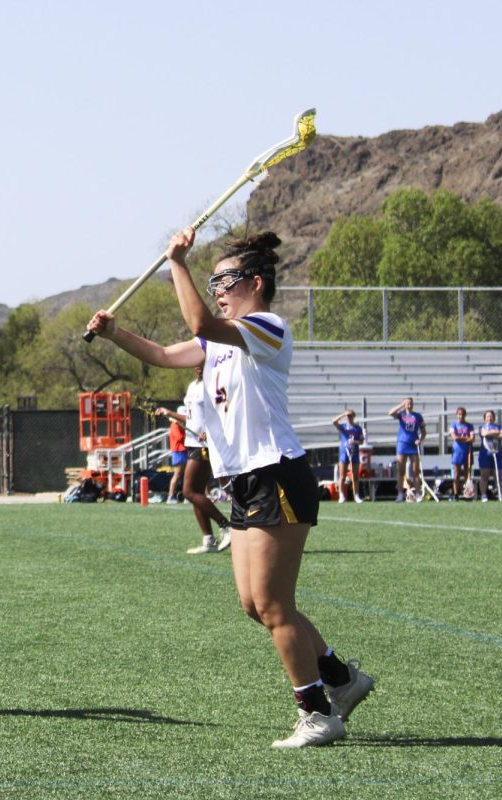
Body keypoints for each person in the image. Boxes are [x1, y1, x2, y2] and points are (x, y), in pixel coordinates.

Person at [87, 228, 373, 748]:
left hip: (276, 473)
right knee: (254, 603)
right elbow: (163, 354)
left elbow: (199, 320)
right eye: (212, 279)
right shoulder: (217, 343)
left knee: (272, 603)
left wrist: (178, 262)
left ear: (256, 283)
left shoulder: (266, 326)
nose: (217, 287)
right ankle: (342, 679)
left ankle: (318, 713)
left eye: (225, 279)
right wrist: (114, 334)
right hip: (244, 479)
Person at [157, 373, 233, 554]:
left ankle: (226, 525)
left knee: (188, 491)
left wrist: (210, 430)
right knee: (196, 493)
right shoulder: (192, 386)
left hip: (204, 445)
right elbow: (191, 419)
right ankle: (209, 540)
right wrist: (170, 414)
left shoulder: (212, 384)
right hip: (192, 442)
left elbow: (225, 411)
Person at [388, 398, 425, 502]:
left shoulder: (417, 416)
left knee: (415, 471)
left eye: (410, 404)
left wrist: (420, 439)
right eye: (407, 404)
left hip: (413, 445)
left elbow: (423, 431)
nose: (409, 406)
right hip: (402, 444)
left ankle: (417, 493)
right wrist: (401, 404)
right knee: (401, 470)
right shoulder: (401, 414)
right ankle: (400, 494)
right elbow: (390, 413)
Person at [331, 409, 364, 504]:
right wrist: (342, 414)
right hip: (344, 453)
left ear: (353, 416)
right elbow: (333, 421)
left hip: (355, 453)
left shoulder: (357, 428)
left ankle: (356, 495)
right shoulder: (343, 427)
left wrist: (355, 442)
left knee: (355, 476)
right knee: (342, 476)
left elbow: (361, 441)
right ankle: (341, 495)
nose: (348, 417)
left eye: (350, 415)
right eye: (347, 416)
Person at [158, 405, 188, 504]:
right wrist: (187, 434)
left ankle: (187, 496)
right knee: (178, 474)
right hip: (178, 451)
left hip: (183, 450)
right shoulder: (175, 425)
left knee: (186, 474)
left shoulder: (181, 425)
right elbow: (179, 438)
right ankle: (170, 496)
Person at [478, 410, 502, 502]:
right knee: (484, 475)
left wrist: (493, 433)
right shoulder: (482, 427)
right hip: (485, 454)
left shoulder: (499, 426)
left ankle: (500, 494)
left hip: (498, 453)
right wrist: (496, 433)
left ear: (494, 418)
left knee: (498, 475)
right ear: (485, 418)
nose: (489, 418)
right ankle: (483, 495)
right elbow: (484, 434)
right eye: (487, 416)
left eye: (491, 416)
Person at [448, 407, 475, 500]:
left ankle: (467, 492)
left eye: (462, 414)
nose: (461, 416)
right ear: (456, 415)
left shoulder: (469, 425)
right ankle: (455, 493)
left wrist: (462, 438)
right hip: (457, 452)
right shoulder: (453, 425)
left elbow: (473, 438)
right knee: (457, 473)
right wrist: (466, 439)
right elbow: (454, 437)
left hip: (467, 451)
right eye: (459, 414)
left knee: (467, 474)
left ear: (465, 415)